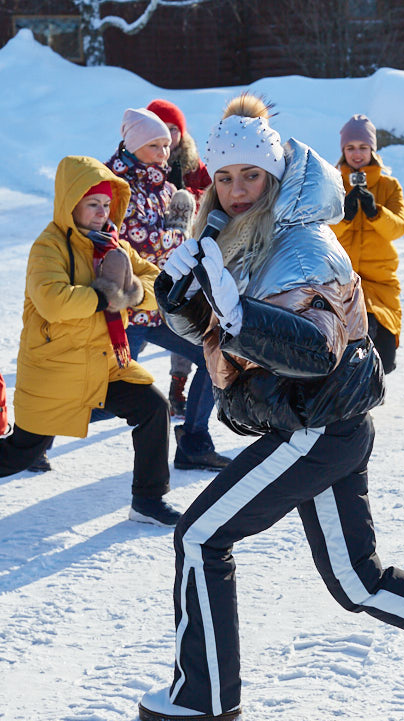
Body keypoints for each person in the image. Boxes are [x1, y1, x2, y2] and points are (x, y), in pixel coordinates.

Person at [137, 95, 404, 721]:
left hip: (316, 424)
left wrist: (235, 314)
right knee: (358, 582)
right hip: (319, 426)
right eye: (224, 177)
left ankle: (205, 696)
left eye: (251, 177)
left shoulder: (302, 246)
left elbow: (312, 349)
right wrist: (182, 302)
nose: (237, 190)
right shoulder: (242, 236)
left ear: (274, 178)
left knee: (200, 535)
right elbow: (222, 342)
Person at [0, 156, 182, 526]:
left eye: (107, 204)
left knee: (152, 406)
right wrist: (105, 296)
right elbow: (54, 301)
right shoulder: (49, 247)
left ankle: (148, 499)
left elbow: (156, 281)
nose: (102, 212)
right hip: (55, 369)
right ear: (70, 202)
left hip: (104, 364)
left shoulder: (113, 245)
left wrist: (134, 292)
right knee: (21, 453)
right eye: (93, 204)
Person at [106, 107, 230, 472]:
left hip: (159, 305)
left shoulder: (161, 184)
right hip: (125, 306)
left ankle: (194, 442)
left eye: (166, 144)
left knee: (213, 355)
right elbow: (137, 243)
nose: (164, 151)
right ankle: (36, 437)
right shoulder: (118, 185)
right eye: (156, 145)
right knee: (101, 393)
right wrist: (180, 224)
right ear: (134, 144)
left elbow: (173, 246)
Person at [147, 98, 211, 417]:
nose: (170, 137)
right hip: (151, 256)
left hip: (187, 254)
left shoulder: (192, 162)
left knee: (184, 320)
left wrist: (189, 202)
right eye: (163, 129)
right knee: (144, 328)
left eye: (174, 130)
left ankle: (178, 385)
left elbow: (211, 193)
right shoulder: (147, 162)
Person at [330, 114, 404, 374]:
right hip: (341, 279)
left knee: (383, 355)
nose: (357, 154)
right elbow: (320, 232)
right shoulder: (333, 184)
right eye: (350, 148)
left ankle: (367, 396)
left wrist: (375, 212)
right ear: (343, 150)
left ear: (372, 149)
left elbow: (398, 228)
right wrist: (344, 217)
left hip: (380, 281)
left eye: (363, 147)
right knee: (342, 351)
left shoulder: (389, 186)